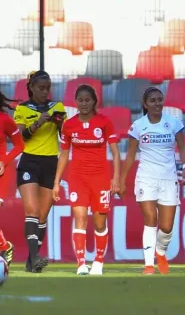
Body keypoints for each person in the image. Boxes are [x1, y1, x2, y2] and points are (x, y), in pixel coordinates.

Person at [119, 87, 185, 275]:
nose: (157, 103)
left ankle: (160, 251)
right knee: (150, 219)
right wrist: (122, 180)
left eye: (160, 99)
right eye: (153, 100)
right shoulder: (138, 126)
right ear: (145, 104)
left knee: (166, 227)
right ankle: (149, 264)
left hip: (168, 178)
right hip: (146, 178)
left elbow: (182, 147)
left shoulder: (173, 123)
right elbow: (131, 155)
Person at [52, 85, 120, 276]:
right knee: (80, 218)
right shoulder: (69, 125)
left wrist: (116, 178)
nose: (84, 104)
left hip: (100, 178)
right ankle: (81, 264)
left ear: (94, 101)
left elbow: (115, 152)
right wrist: (57, 182)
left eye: (87, 100)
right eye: (80, 100)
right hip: (78, 178)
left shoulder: (104, 122)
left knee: (99, 223)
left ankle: (98, 261)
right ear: (76, 102)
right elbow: (64, 154)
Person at [14, 70, 66, 272]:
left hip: (50, 163)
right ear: (32, 88)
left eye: (48, 88)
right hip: (29, 162)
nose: (46, 92)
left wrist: (60, 124)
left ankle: (31, 261)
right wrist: (38, 122)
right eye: (41, 88)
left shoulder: (58, 107)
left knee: (42, 216)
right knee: (32, 211)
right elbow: (19, 137)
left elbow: (65, 136)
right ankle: (35, 258)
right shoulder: (22, 108)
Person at [0, 91, 24, 265]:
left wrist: (4, 161)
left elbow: (19, 145)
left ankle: (4, 247)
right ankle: (4, 245)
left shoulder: (5, 120)